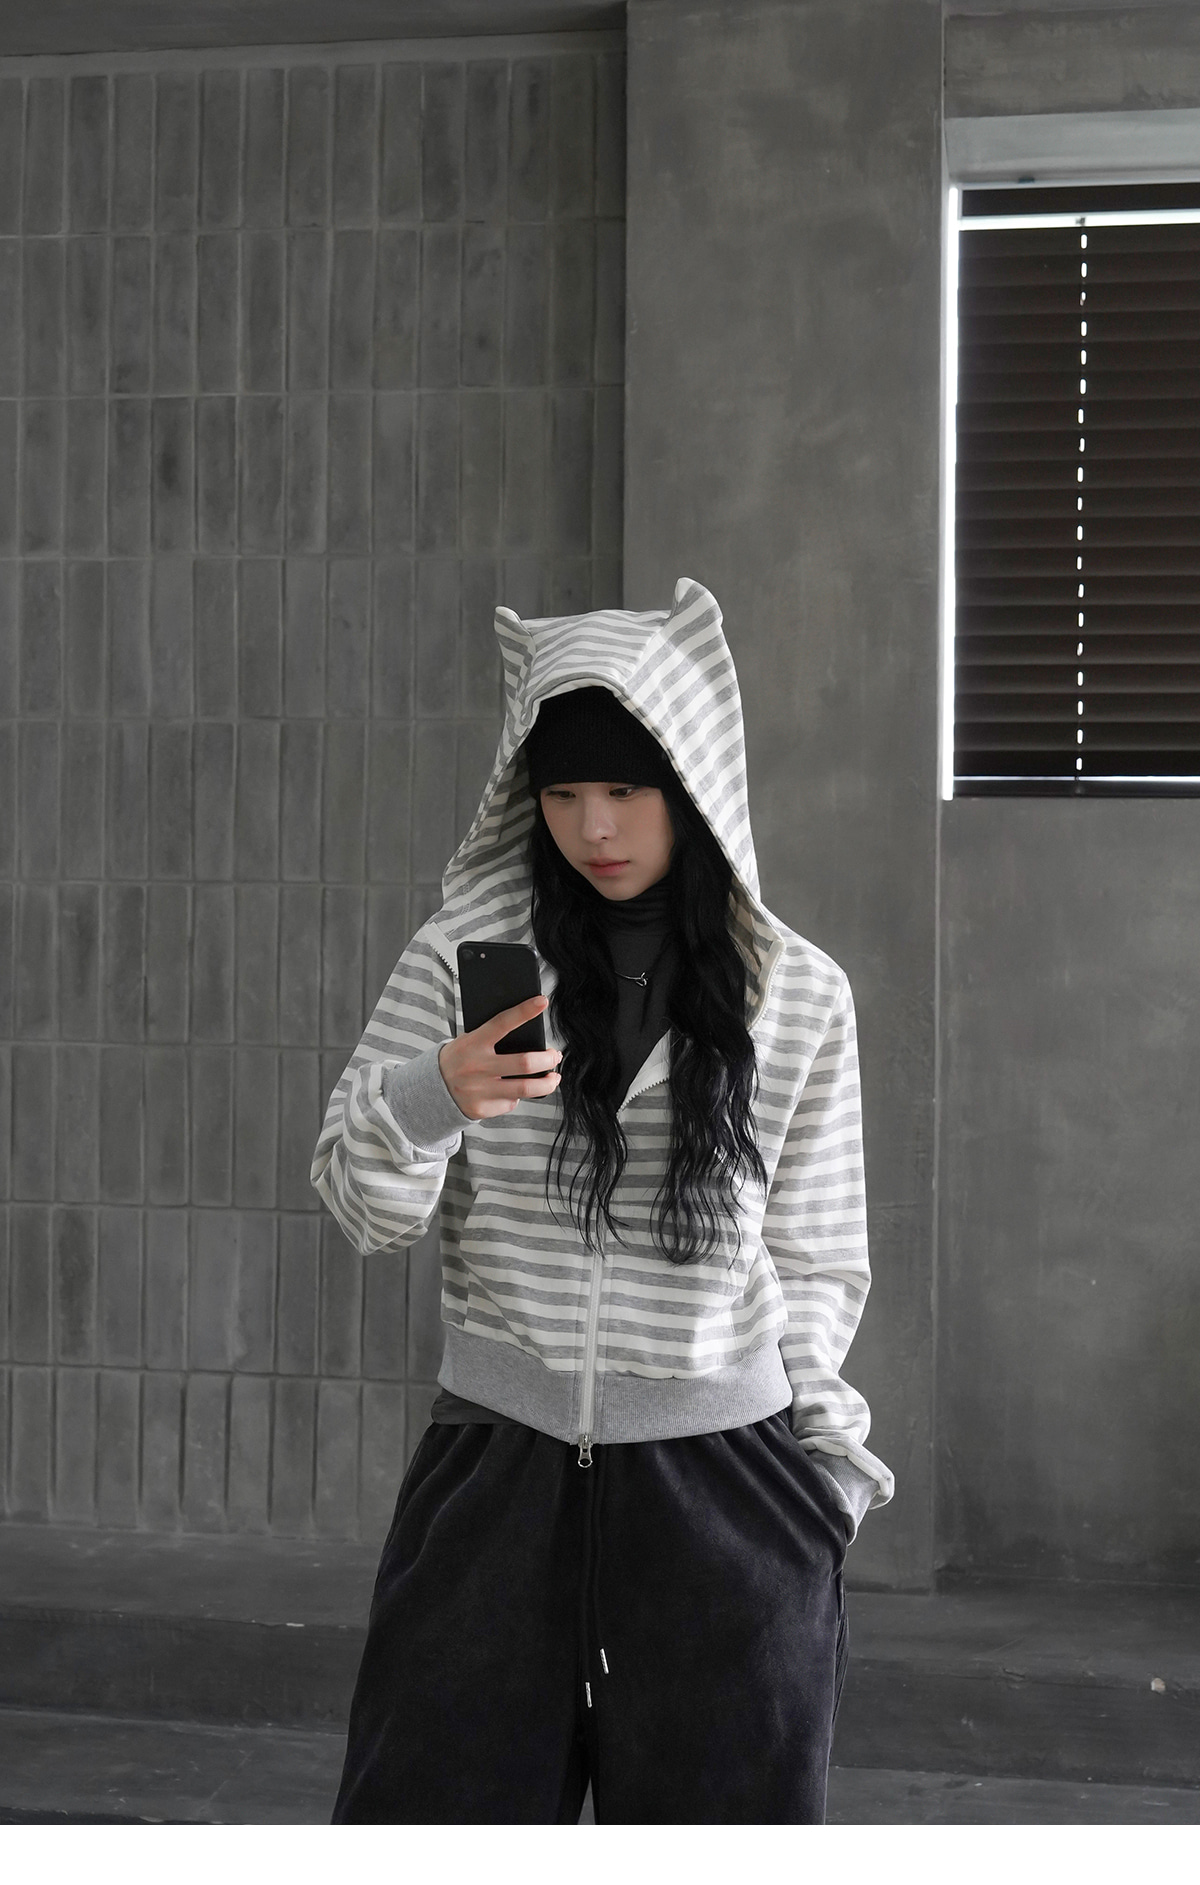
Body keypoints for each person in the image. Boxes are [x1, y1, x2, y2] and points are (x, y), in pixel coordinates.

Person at [311, 576, 893, 1824]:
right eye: (564, 791)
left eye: (627, 789)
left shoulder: (798, 994)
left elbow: (818, 1254)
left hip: (725, 1497)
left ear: (690, 780)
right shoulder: (461, 959)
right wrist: (434, 1096)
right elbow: (362, 1205)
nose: (594, 826)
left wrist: (823, 1483)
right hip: (495, 1482)